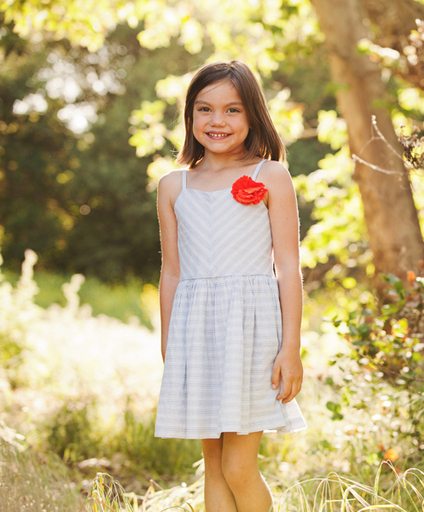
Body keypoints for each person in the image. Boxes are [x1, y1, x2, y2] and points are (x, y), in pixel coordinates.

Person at [154, 60, 307, 512]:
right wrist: (169, 343)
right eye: (205, 109)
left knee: (239, 466)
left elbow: (288, 265)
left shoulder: (270, 176)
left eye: (232, 110)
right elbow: (172, 272)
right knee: (214, 462)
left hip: (252, 334)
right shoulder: (172, 186)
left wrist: (291, 347)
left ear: (252, 115)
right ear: (190, 117)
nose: (217, 121)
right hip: (195, 334)